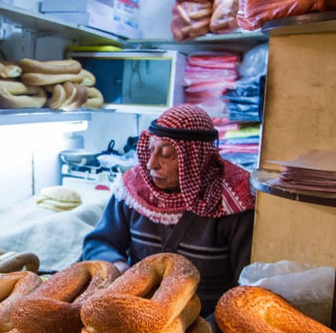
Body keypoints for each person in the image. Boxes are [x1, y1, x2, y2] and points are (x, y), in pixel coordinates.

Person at [82, 104, 255, 316]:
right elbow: (99, 242)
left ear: (195, 159)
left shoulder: (232, 202)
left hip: (204, 323)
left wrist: (209, 330)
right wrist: (118, 266)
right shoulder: (133, 192)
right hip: (135, 315)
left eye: (166, 154)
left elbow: (246, 288)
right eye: (151, 150)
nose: (151, 164)